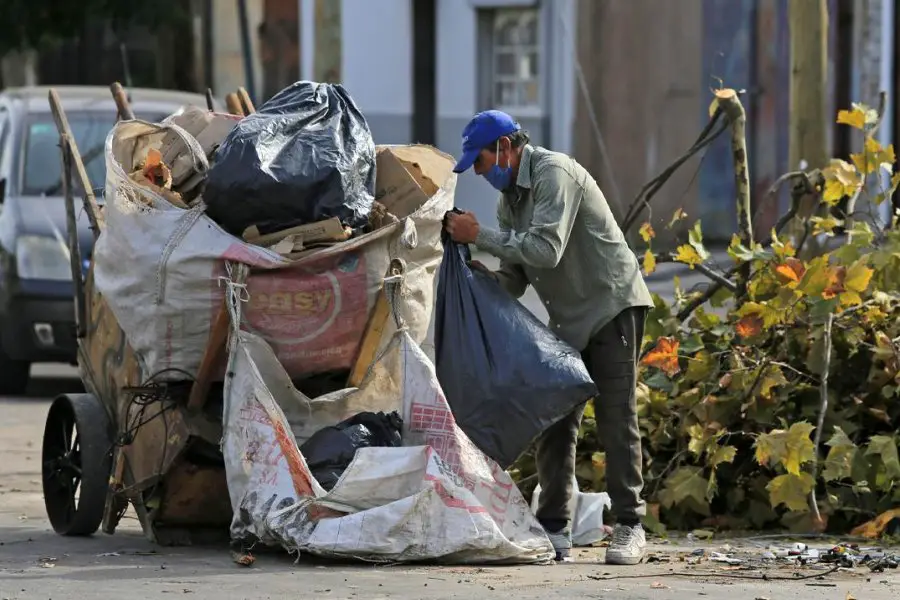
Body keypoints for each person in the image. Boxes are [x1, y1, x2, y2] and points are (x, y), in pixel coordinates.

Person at [445, 110, 654, 565]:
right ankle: (554, 528)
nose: (480, 174)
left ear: (504, 148)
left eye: (479, 163)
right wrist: (477, 278)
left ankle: (630, 526)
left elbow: (547, 250)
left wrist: (479, 235)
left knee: (617, 418)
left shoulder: (553, 173)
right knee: (555, 416)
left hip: (612, 306)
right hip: (568, 320)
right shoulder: (510, 202)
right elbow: (516, 278)